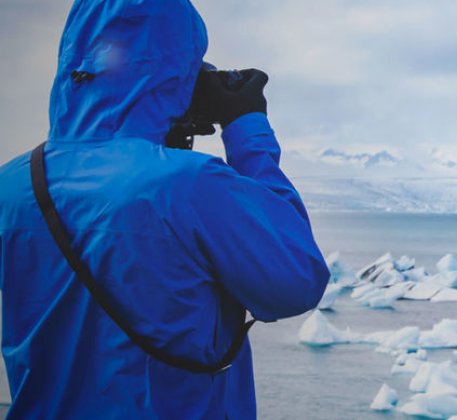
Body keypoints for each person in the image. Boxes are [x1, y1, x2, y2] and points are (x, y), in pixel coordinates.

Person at [0, 0, 329, 418]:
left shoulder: (11, 185)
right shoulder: (187, 185)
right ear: (176, 71)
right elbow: (296, 281)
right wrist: (247, 127)